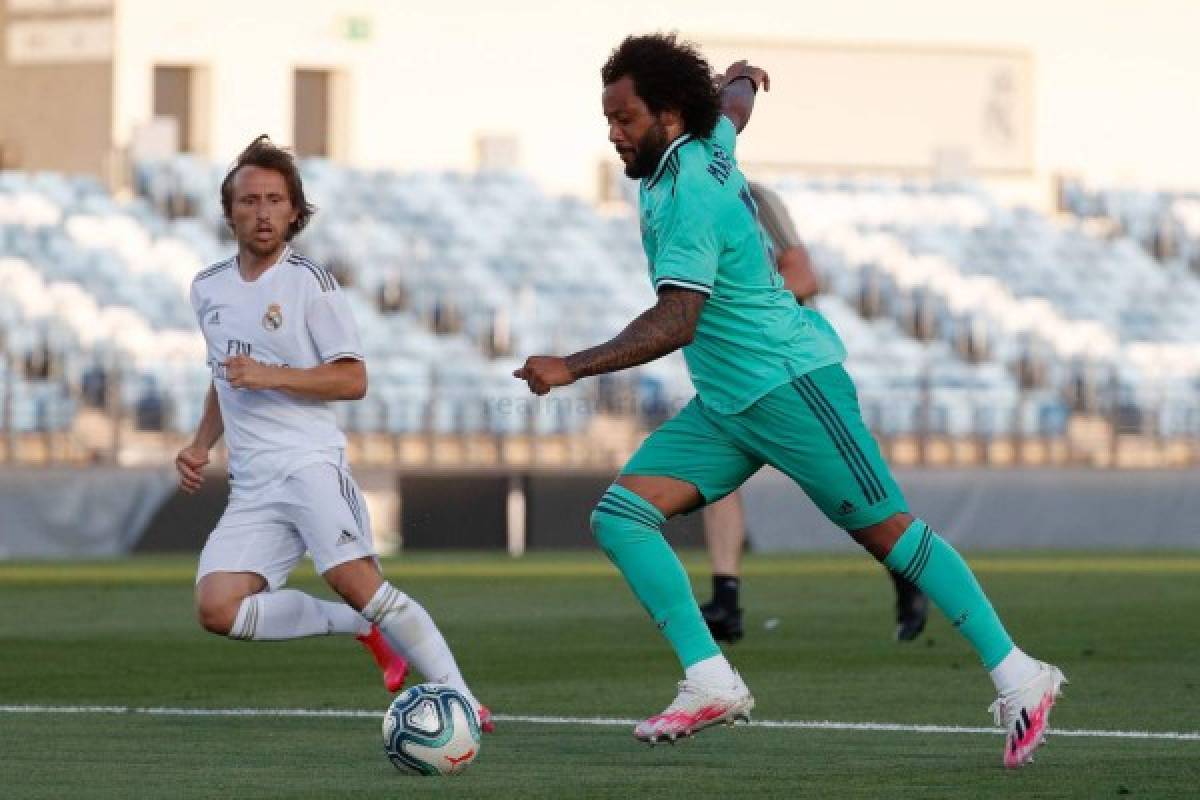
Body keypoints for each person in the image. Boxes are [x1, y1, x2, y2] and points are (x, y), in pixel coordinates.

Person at [514, 34, 1062, 766]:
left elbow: (679, 319)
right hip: (730, 403)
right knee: (621, 515)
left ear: (669, 115)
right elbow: (731, 113)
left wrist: (573, 367)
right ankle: (711, 679)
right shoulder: (704, 137)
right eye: (608, 117)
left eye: (625, 118)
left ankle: (1022, 676)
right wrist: (740, 78)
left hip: (790, 383)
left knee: (887, 534)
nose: (613, 132)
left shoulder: (688, 196)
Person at [177, 135, 491, 731]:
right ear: (230, 211)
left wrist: (272, 374)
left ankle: (463, 700)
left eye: (275, 199)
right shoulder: (207, 287)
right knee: (217, 607)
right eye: (249, 200)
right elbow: (224, 375)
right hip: (253, 484)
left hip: (310, 467)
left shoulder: (310, 284)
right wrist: (200, 443)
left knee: (360, 583)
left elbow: (353, 379)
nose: (262, 211)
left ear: (295, 211)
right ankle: (362, 629)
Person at [699, 181, 929, 645]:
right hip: (737, 370)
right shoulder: (686, 198)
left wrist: (742, 310)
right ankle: (726, 598)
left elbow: (804, 277)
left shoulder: (753, 197)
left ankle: (907, 570)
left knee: (851, 496)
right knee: (714, 476)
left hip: (790, 369)